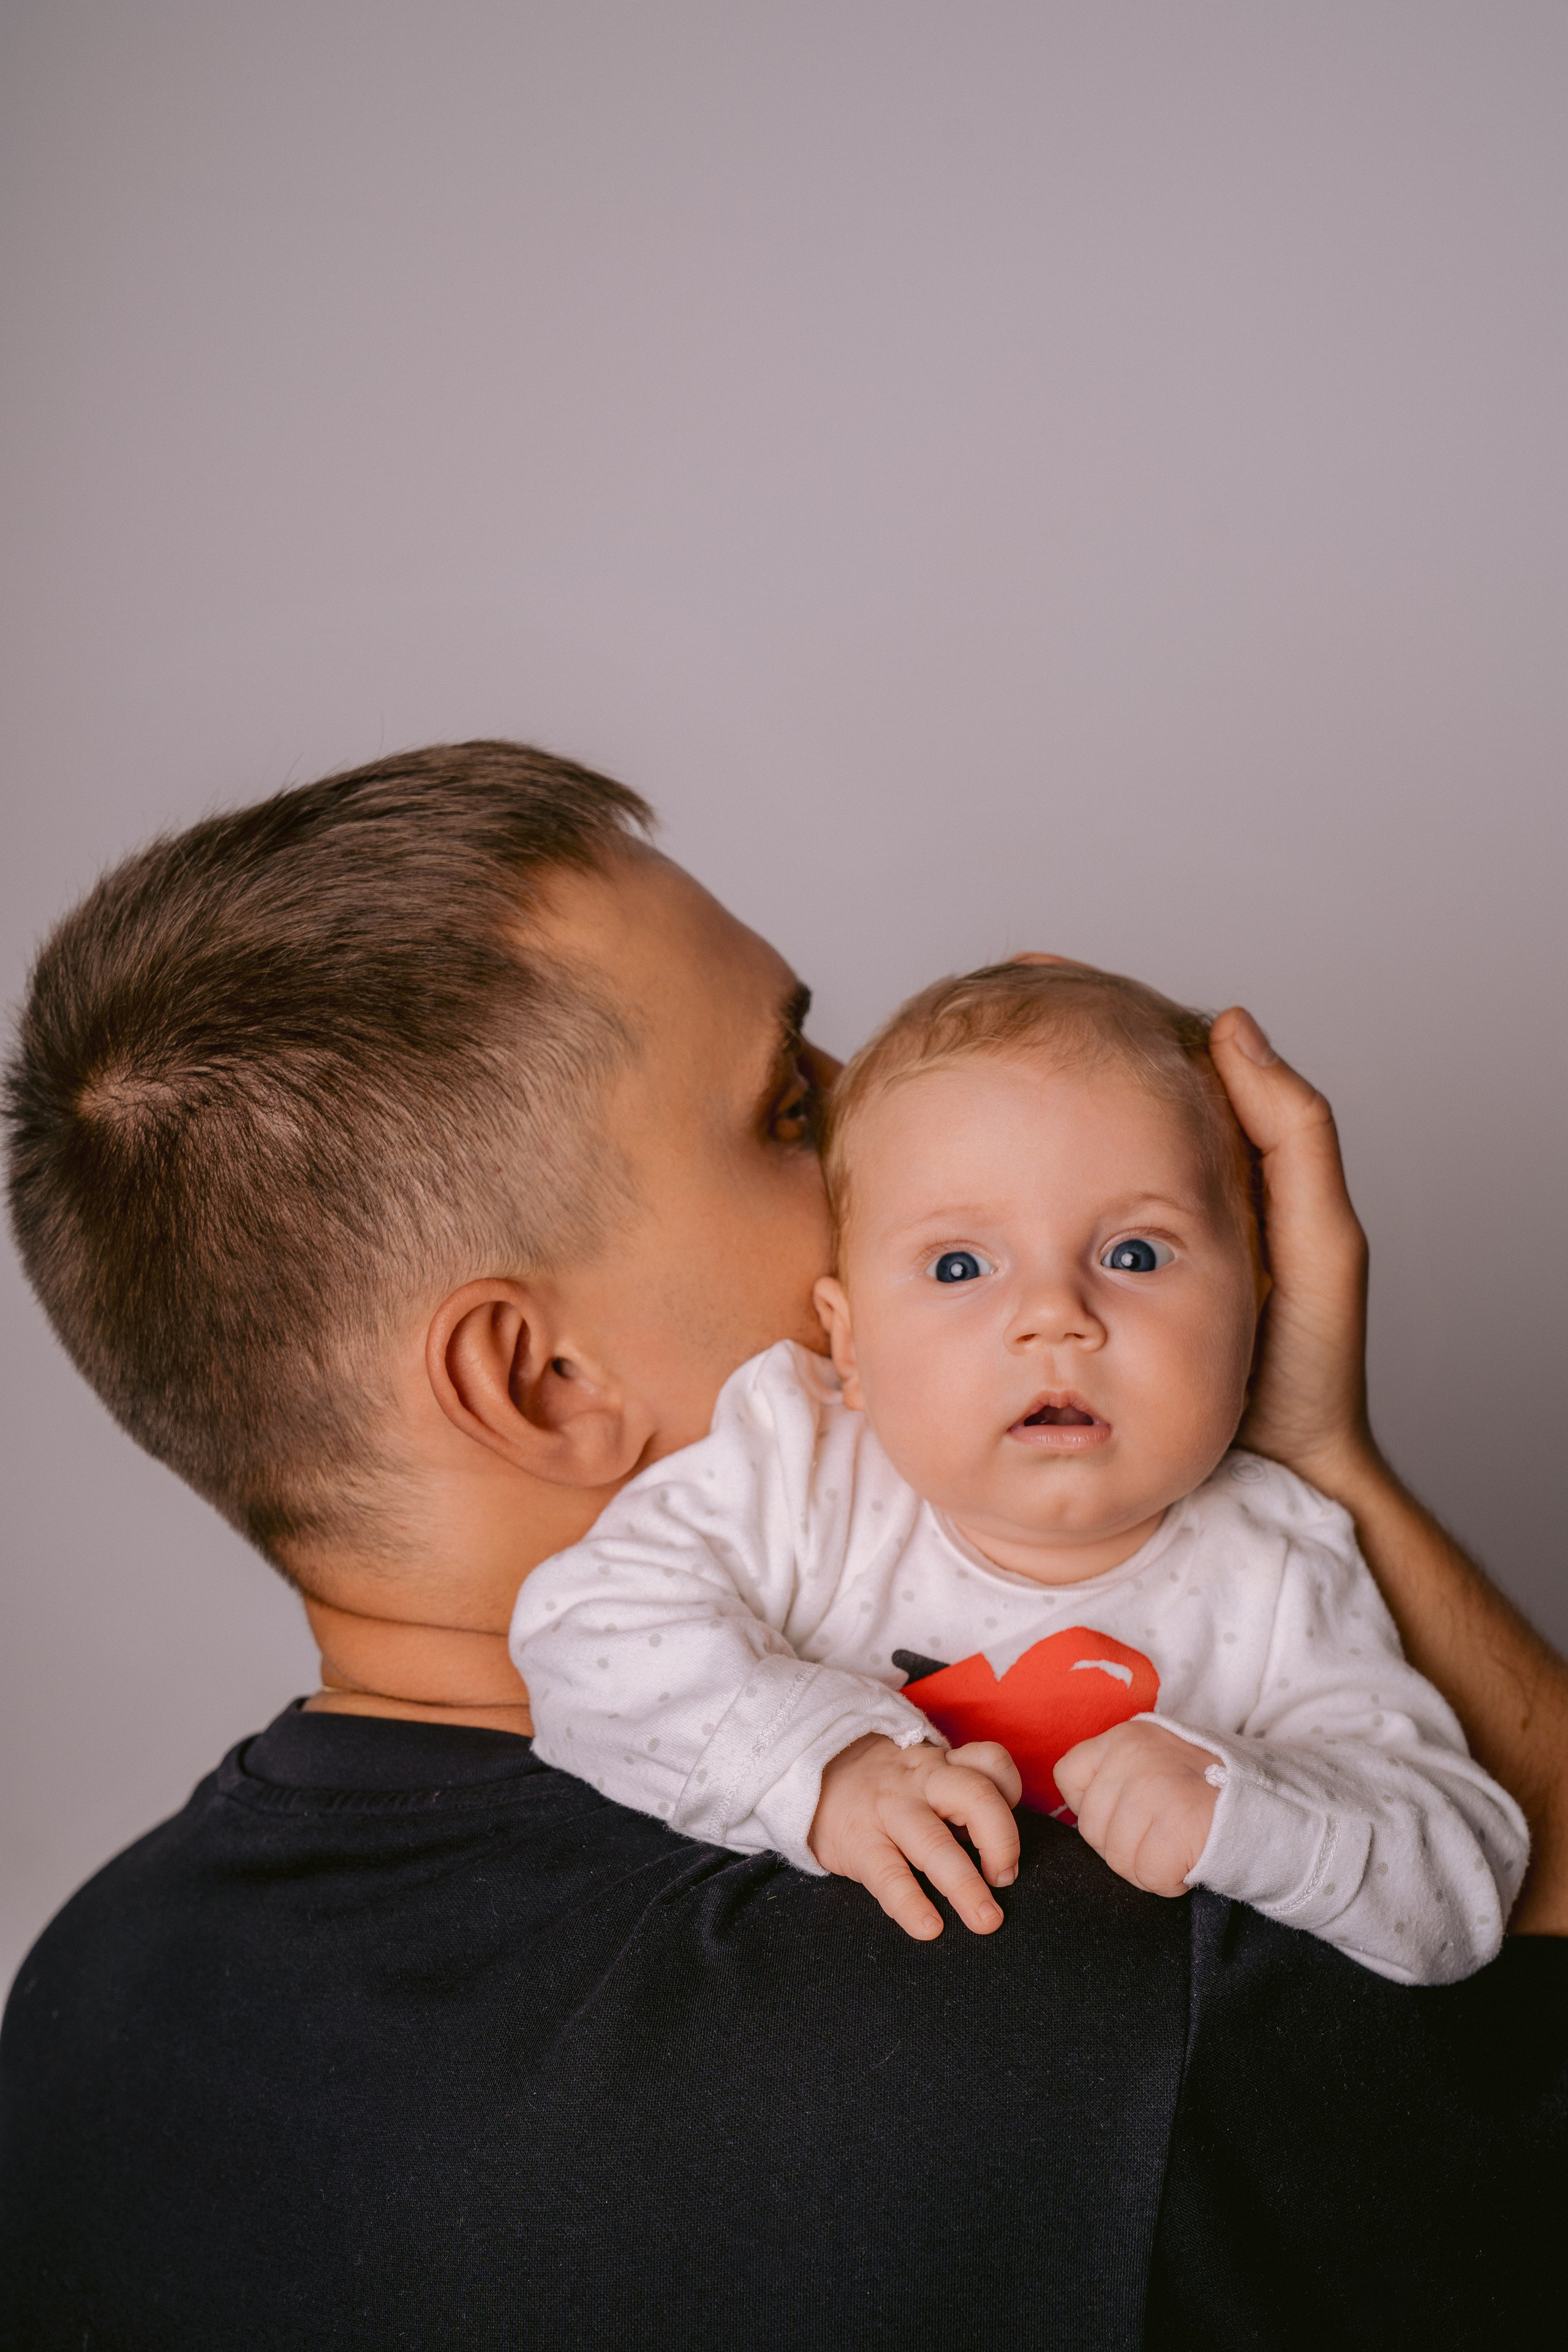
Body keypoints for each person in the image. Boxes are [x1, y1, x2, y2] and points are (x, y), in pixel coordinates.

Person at [1, 741, 1564, 2350]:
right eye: (794, 1106)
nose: (886, 1102)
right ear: (546, 1384)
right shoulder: (1102, 1989)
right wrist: (1317, 1459)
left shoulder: (79, 1997)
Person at [512, 961, 1526, 1981]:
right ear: (850, 1345)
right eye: (959, 1266)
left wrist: (1250, 1807)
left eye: (1136, 1254)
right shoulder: (801, 1468)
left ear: (1257, 1310)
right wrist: (831, 1768)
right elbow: (582, 1636)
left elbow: (1464, 1884)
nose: (1056, 1316)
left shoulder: (1278, 1567)